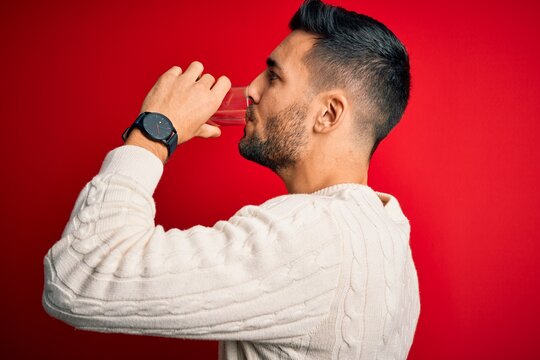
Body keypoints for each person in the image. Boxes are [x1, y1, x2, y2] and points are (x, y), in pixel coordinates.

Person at [42, 0, 420, 359]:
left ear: (328, 114)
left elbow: (80, 274)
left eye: (273, 76)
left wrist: (154, 130)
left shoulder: (311, 236)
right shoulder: (391, 237)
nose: (252, 89)